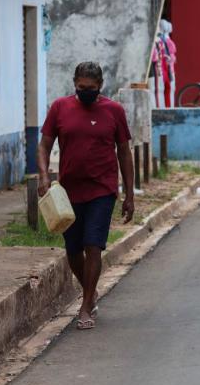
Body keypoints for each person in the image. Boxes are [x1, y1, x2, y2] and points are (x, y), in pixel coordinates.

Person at [37, 62, 134, 330]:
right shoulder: (60, 108)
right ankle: (90, 290)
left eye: (91, 89)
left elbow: (124, 152)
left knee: (94, 245)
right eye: (81, 88)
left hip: (102, 189)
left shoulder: (114, 111)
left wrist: (128, 194)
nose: (86, 93)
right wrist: (45, 177)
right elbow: (44, 145)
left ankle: (86, 303)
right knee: (72, 249)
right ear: (74, 85)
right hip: (69, 190)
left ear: (100, 86)